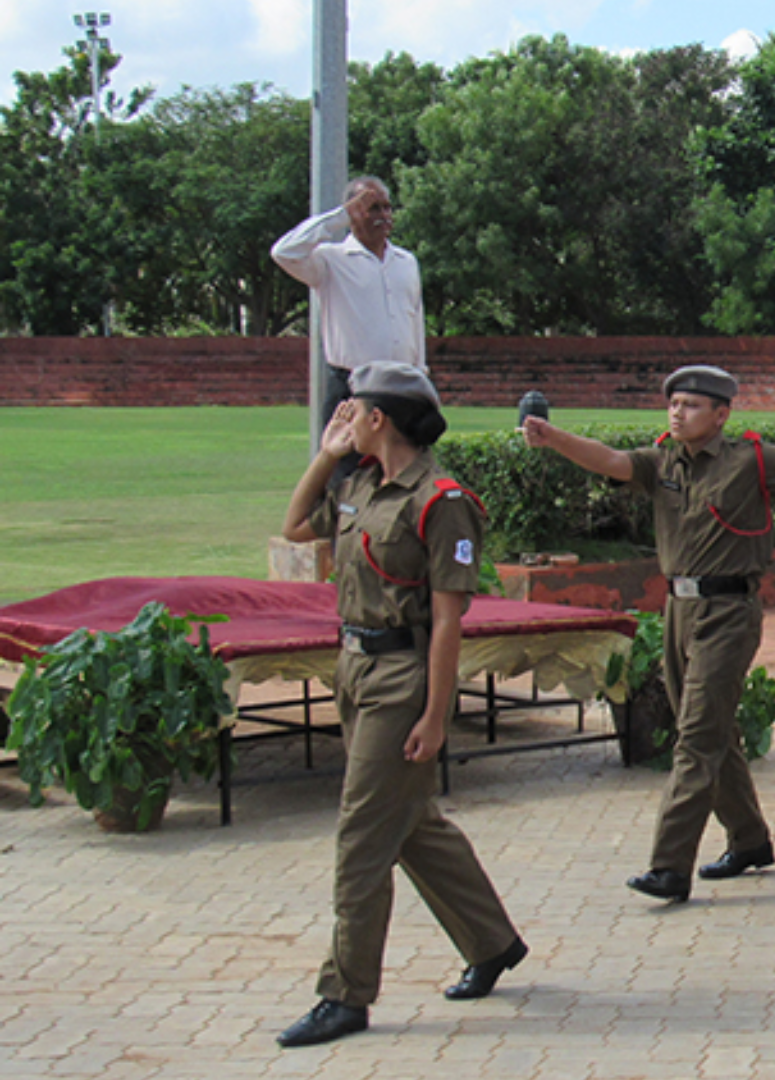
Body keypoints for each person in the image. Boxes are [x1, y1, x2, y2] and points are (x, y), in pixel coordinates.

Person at [275, 363, 525, 1048]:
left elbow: (447, 622)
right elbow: (294, 526)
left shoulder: (442, 501)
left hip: (400, 677)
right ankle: (492, 941)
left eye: (352, 411)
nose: (345, 420)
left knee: (362, 836)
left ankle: (345, 995)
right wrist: (326, 456)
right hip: (354, 667)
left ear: (378, 417)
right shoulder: (358, 485)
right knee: (410, 823)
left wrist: (437, 716)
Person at [523, 365, 775, 901]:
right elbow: (609, 460)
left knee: (695, 738)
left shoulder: (752, 458)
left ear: (721, 414)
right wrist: (552, 436)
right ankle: (749, 839)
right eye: (673, 403)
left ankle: (669, 866)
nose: (677, 412)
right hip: (679, 609)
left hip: (728, 611)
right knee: (709, 730)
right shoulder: (662, 461)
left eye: (691, 405)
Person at [272, 177, 427, 456]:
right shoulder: (330, 261)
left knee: (404, 470)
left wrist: (421, 377)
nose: (383, 215)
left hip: (401, 385)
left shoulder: (406, 262)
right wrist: (340, 217)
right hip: (355, 387)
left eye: (387, 207)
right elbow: (284, 252)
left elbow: (414, 320)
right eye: (373, 208)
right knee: (347, 471)